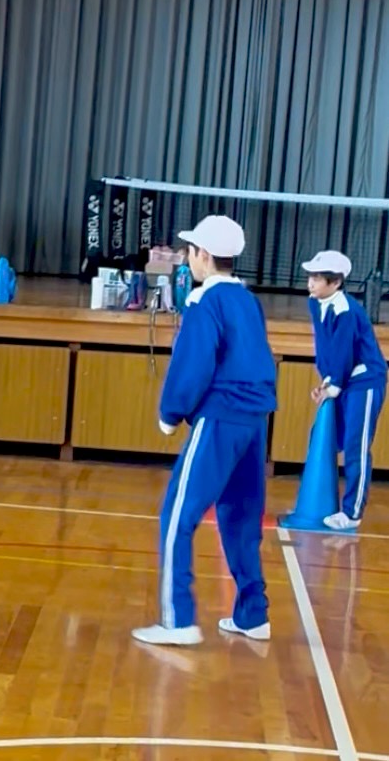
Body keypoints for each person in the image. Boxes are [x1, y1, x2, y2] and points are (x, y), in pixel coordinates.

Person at [133, 215, 276, 646]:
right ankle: (253, 615)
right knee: (240, 517)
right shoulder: (248, 300)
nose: (187, 257)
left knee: (177, 515)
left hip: (220, 418)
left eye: (191, 250)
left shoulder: (203, 301)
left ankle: (177, 620)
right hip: (255, 420)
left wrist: (170, 412)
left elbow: (193, 362)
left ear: (205, 256)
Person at [302, 249, 386, 530]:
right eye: (310, 276)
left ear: (336, 282)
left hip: (364, 381)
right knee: (323, 436)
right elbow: (325, 346)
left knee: (355, 445)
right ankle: (320, 502)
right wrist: (327, 381)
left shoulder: (345, 310)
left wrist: (334, 385)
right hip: (341, 379)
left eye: (317, 278)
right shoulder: (316, 303)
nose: (311, 283)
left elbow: (344, 352)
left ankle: (352, 512)